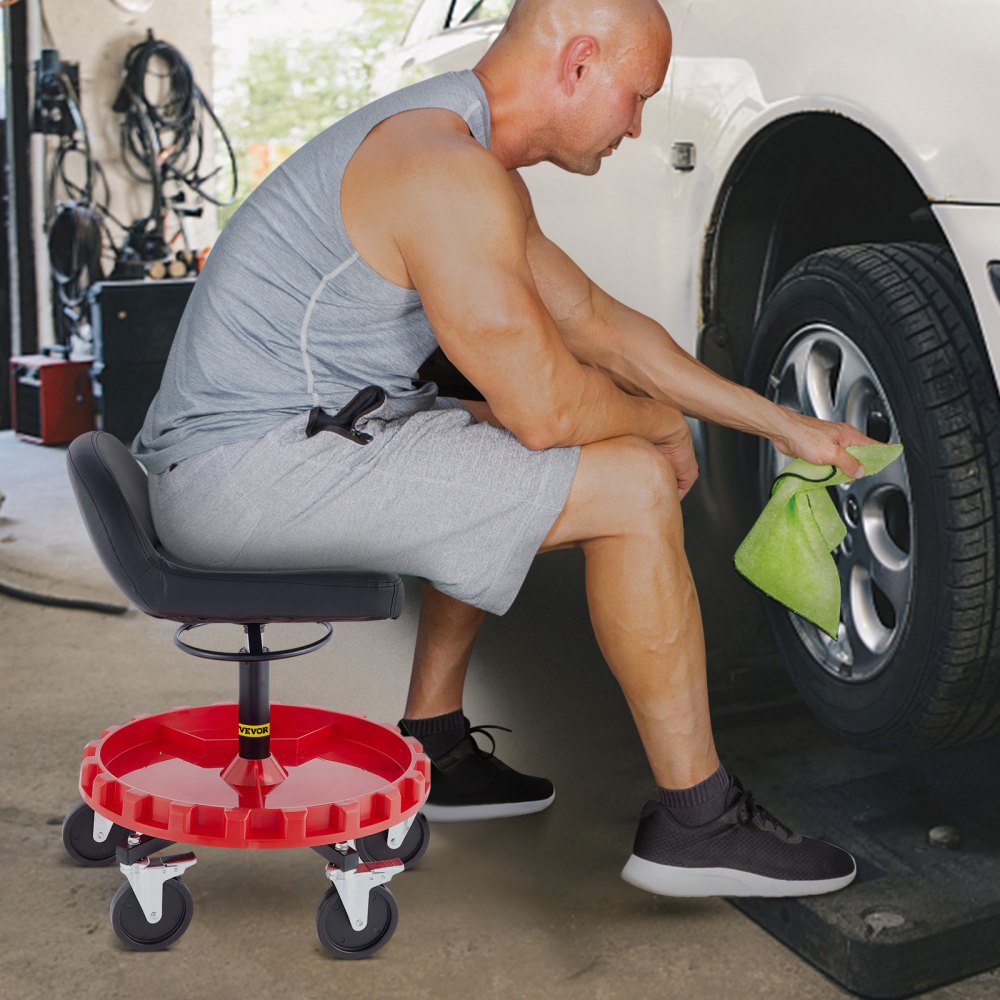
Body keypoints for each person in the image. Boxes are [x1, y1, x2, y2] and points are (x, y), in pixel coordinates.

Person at [133, 0, 878, 898]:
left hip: (278, 446)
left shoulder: (457, 152)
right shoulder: (443, 171)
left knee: (475, 435)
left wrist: (783, 424)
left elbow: (602, 327)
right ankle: (697, 819)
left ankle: (435, 743)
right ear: (577, 65)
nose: (639, 126)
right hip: (244, 475)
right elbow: (548, 412)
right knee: (631, 486)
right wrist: (658, 428)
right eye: (635, 96)